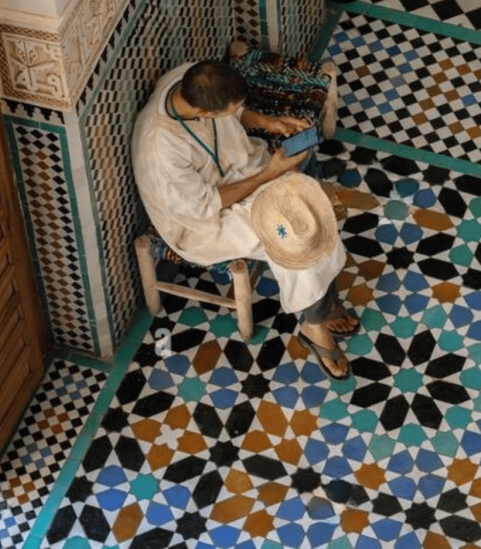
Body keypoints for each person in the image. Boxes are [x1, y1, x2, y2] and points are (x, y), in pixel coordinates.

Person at [132, 59, 357, 379]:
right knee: (291, 240)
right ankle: (314, 325)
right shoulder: (159, 149)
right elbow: (205, 206)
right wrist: (270, 173)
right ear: (205, 113)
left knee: (310, 210)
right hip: (204, 222)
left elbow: (235, 113)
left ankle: (322, 304)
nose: (237, 111)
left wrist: (269, 123)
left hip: (244, 173)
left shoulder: (190, 79)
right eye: (229, 110)